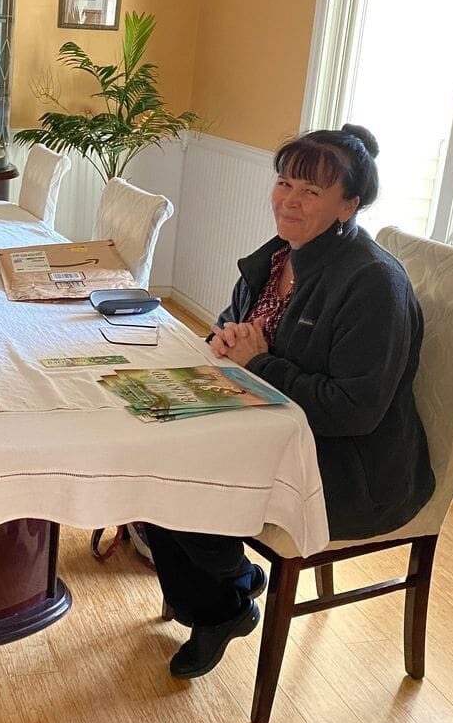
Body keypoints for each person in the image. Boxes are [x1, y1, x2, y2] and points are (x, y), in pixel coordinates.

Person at [143, 124, 434, 680]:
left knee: (176, 470)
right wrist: (225, 339)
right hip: (274, 429)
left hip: (351, 468)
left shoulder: (373, 283)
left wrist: (258, 363)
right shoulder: (280, 258)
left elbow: (354, 409)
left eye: (311, 191)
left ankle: (222, 607)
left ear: (349, 206)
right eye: (284, 182)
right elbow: (239, 326)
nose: (289, 199)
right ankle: (231, 582)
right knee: (153, 439)